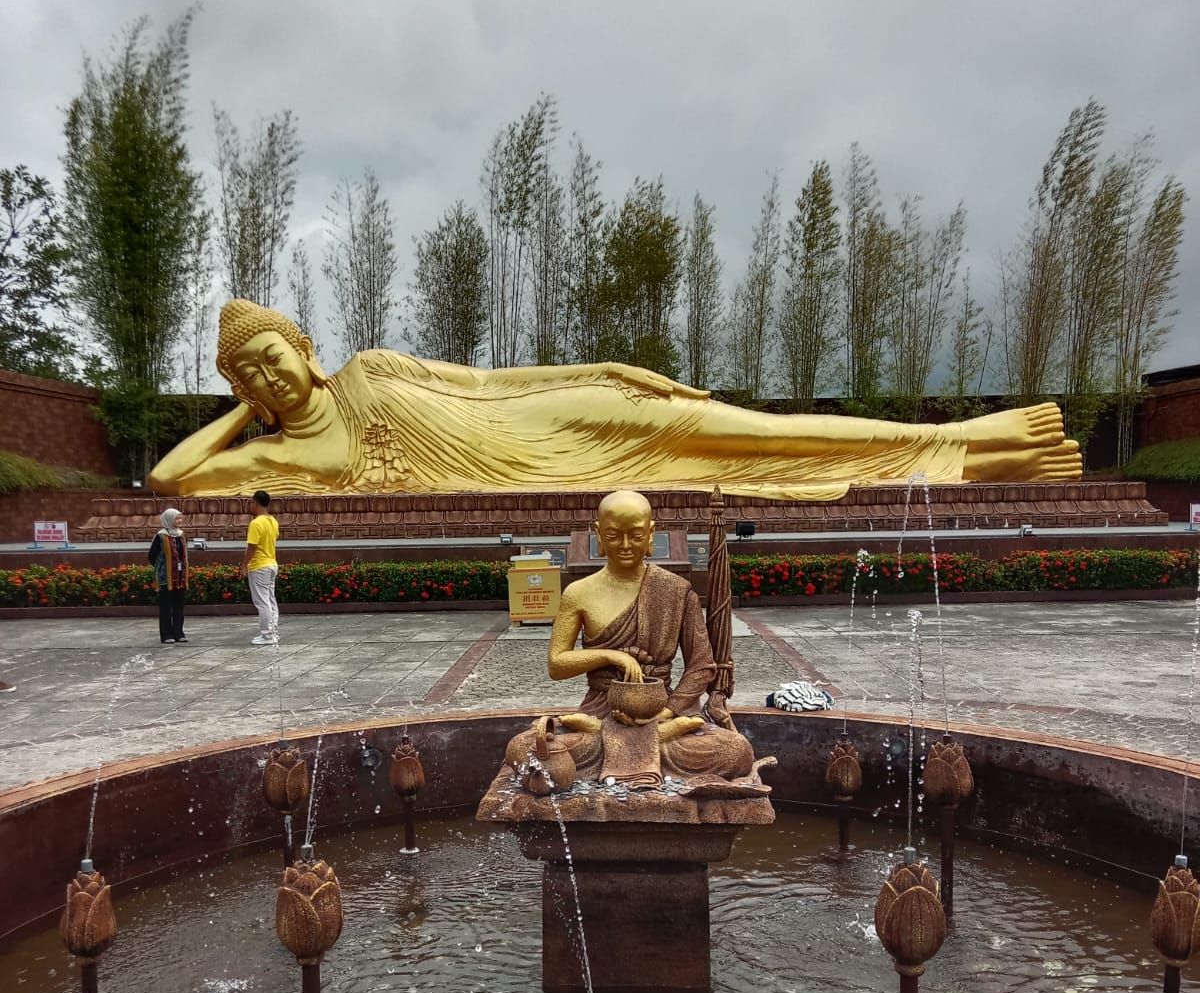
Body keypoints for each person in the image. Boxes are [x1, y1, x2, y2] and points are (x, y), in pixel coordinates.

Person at [147, 300, 1082, 499]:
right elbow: (170, 481)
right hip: (536, 477)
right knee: (742, 463)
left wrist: (602, 371)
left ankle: (965, 437)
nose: (267, 377)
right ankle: (974, 456)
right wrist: (243, 410)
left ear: (305, 346)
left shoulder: (372, 369)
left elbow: (489, 382)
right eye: (248, 375)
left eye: (272, 357)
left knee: (749, 433)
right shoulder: (282, 453)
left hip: (550, 419)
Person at [504, 488, 755, 783]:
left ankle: (639, 736)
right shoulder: (579, 593)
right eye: (613, 536)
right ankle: (632, 737)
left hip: (660, 710)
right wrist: (612, 656)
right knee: (522, 749)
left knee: (736, 751)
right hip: (599, 710)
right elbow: (557, 665)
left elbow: (701, 666)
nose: (625, 546)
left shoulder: (675, 590)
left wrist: (667, 713)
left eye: (635, 536)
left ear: (650, 534)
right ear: (598, 534)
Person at [242, 490, 279, 646]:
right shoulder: (273, 521)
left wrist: (244, 565)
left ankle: (267, 635)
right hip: (271, 564)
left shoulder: (256, 523)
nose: (250, 505)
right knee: (270, 600)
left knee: (262, 602)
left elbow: (252, 547)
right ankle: (273, 632)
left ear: (256, 503)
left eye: (251, 502)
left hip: (259, 566)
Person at [148, 507, 189, 644]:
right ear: (169, 520)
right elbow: (152, 556)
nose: (180, 521)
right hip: (166, 578)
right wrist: (162, 568)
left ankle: (179, 633)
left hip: (180, 577)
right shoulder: (161, 536)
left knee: (179, 606)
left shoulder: (182, 535)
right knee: (166, 607)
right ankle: (166, 634)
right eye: (177, 518)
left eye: (180, 518)